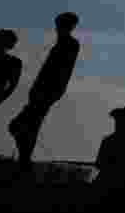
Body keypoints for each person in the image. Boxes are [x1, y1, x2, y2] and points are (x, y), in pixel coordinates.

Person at [9, 12, 81, 172]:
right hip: (42, 92)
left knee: (19, 126)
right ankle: (24, 160)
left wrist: (52, 93)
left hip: (47, 92)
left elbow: (63, 72)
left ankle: (24, 160)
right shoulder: (62, 44)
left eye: (62, 25)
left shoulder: (70, 44)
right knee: (27, 126)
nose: (58, 28)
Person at [95, 107, 125, 176]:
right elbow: (99, 164)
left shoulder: (108, 141)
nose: (116, 124)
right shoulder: (108, 141)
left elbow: (99, 164)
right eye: (117, 121)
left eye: (119, 121)